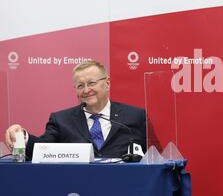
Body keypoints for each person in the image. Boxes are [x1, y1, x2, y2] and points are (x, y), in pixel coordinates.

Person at [4, 60, 160, 159]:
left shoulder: (135, 116)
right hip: (77, 192)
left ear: (107, 83)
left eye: (91, 83)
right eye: (80, 86)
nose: (86, 90)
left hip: (125, 192)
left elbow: (156, 157)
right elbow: (41, 149)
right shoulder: (61, 120)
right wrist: (22, 136)